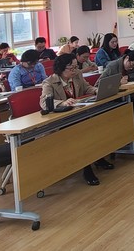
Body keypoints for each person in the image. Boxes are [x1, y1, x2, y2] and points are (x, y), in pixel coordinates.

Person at [39, 54, 112, 186]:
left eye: (75, 67)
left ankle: (98, 157)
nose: (74, 70)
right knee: (81, 133)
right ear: (61, 68)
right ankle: (86, 168)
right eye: (71, 68)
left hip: (79, 115)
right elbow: (44, 102)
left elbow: (86, 87)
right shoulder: (49, 82)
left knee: (97, 124)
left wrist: (96, 90)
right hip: (61, 121)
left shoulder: (77, 75)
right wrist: (62, 103)